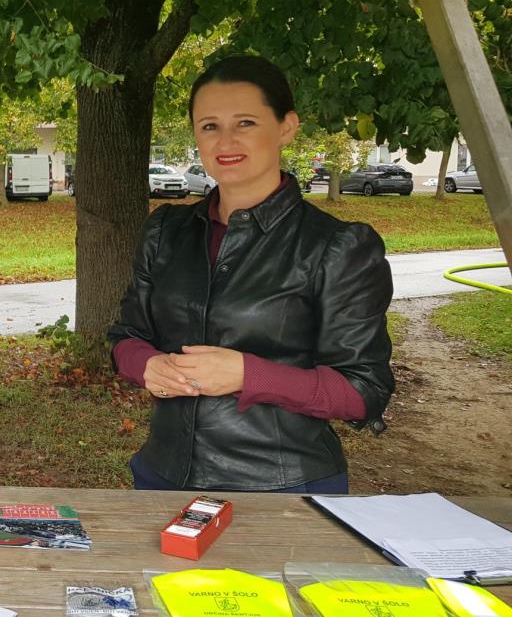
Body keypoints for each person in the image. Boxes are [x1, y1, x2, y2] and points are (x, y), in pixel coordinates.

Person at [109, 56, 394, 493]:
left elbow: (363, 392)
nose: (225, 141)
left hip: (283, 488)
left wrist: (248, 375)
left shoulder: (337, 246)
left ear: (286, 127)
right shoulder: (165, 231)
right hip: (162, 476)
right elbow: (126, 337)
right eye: (209, 126)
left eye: (245, 122)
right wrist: (148, 365)